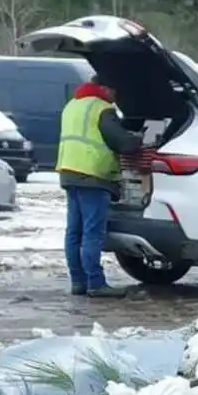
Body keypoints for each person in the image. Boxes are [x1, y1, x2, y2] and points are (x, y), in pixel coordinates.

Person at [57, 79, 142, 298]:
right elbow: (120, 142)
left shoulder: (72, 105)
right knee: (92, 232)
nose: (116, 96)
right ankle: (96, 283)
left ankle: (78, 282)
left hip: (69, 171)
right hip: (93, 175)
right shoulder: (102, 109)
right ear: (104, 88)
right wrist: (139, 139)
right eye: (115, 90)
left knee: (73, 232)